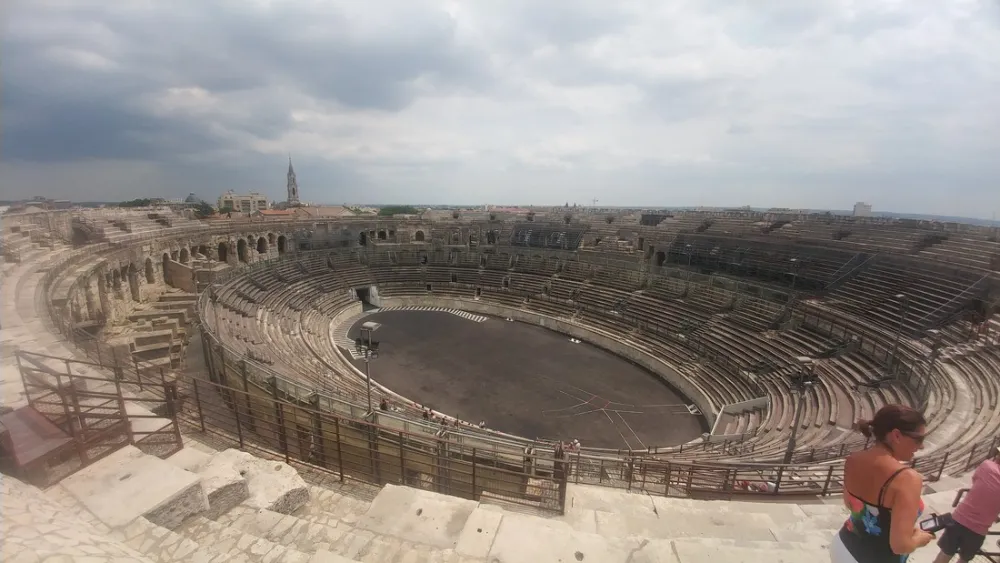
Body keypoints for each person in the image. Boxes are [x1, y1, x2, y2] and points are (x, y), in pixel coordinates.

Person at [831, 404, 934, 562]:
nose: (921, 446)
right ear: (896, 435)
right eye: (918, 439)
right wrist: (919, 539)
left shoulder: (853, 459)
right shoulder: (907, 478)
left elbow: (850, 504)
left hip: (842, 546)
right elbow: (900, 546)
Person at [934, 447, 1000, 563]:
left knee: (944, 554)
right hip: (979, 529)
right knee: (964, 560)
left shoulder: (987, 466)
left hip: (960, 519)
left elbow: (976, 481)